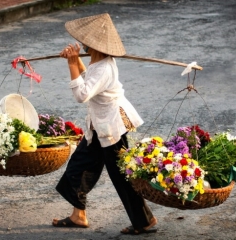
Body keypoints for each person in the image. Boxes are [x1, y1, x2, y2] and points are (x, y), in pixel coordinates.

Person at [52, 13, 157, 235]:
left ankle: (144, 221)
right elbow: (88, 76)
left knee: (121, 176)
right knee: (79, 167)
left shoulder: (104, 67)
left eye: (87, 44)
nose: (85, 47)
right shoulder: (98, 62)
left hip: (111, 128)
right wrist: (74, 61)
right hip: (98, 127)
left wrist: (71, 63)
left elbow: (82, 94)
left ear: (96, 46)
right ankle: (78, 215)